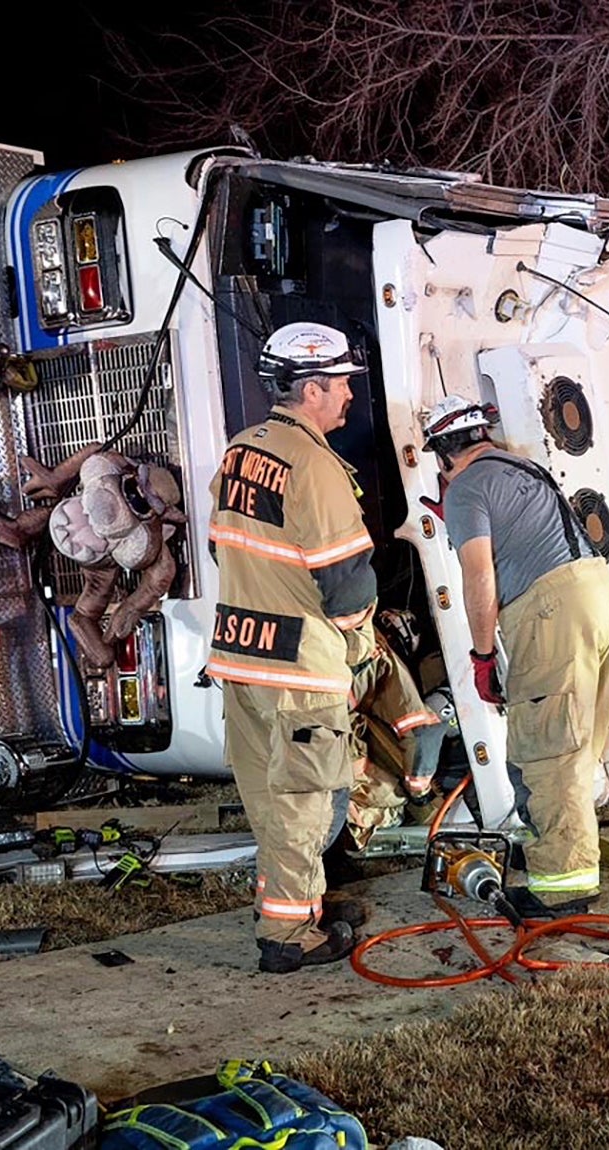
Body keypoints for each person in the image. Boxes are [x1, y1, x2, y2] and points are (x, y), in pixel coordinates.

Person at [208, 321, 379, 972]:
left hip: (241, 657)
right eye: (339, 384)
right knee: (309, 805)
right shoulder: (316, 464)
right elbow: (347, 583)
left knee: (272, 802)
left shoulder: (239, 451)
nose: (347, 397)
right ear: (310, 388)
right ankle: (288, 940)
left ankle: (294, 914)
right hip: (298, 666)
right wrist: (362, 636)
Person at [422, 396, 609, 916]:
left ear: (445, 453)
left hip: (551, 611)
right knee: (577, 747)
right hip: (599, 594)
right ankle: (575, 865)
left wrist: (483, 655)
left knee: (546, 751)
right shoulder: (523, 468)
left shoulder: (468, 487)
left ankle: (562, 890)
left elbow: (479, 578)